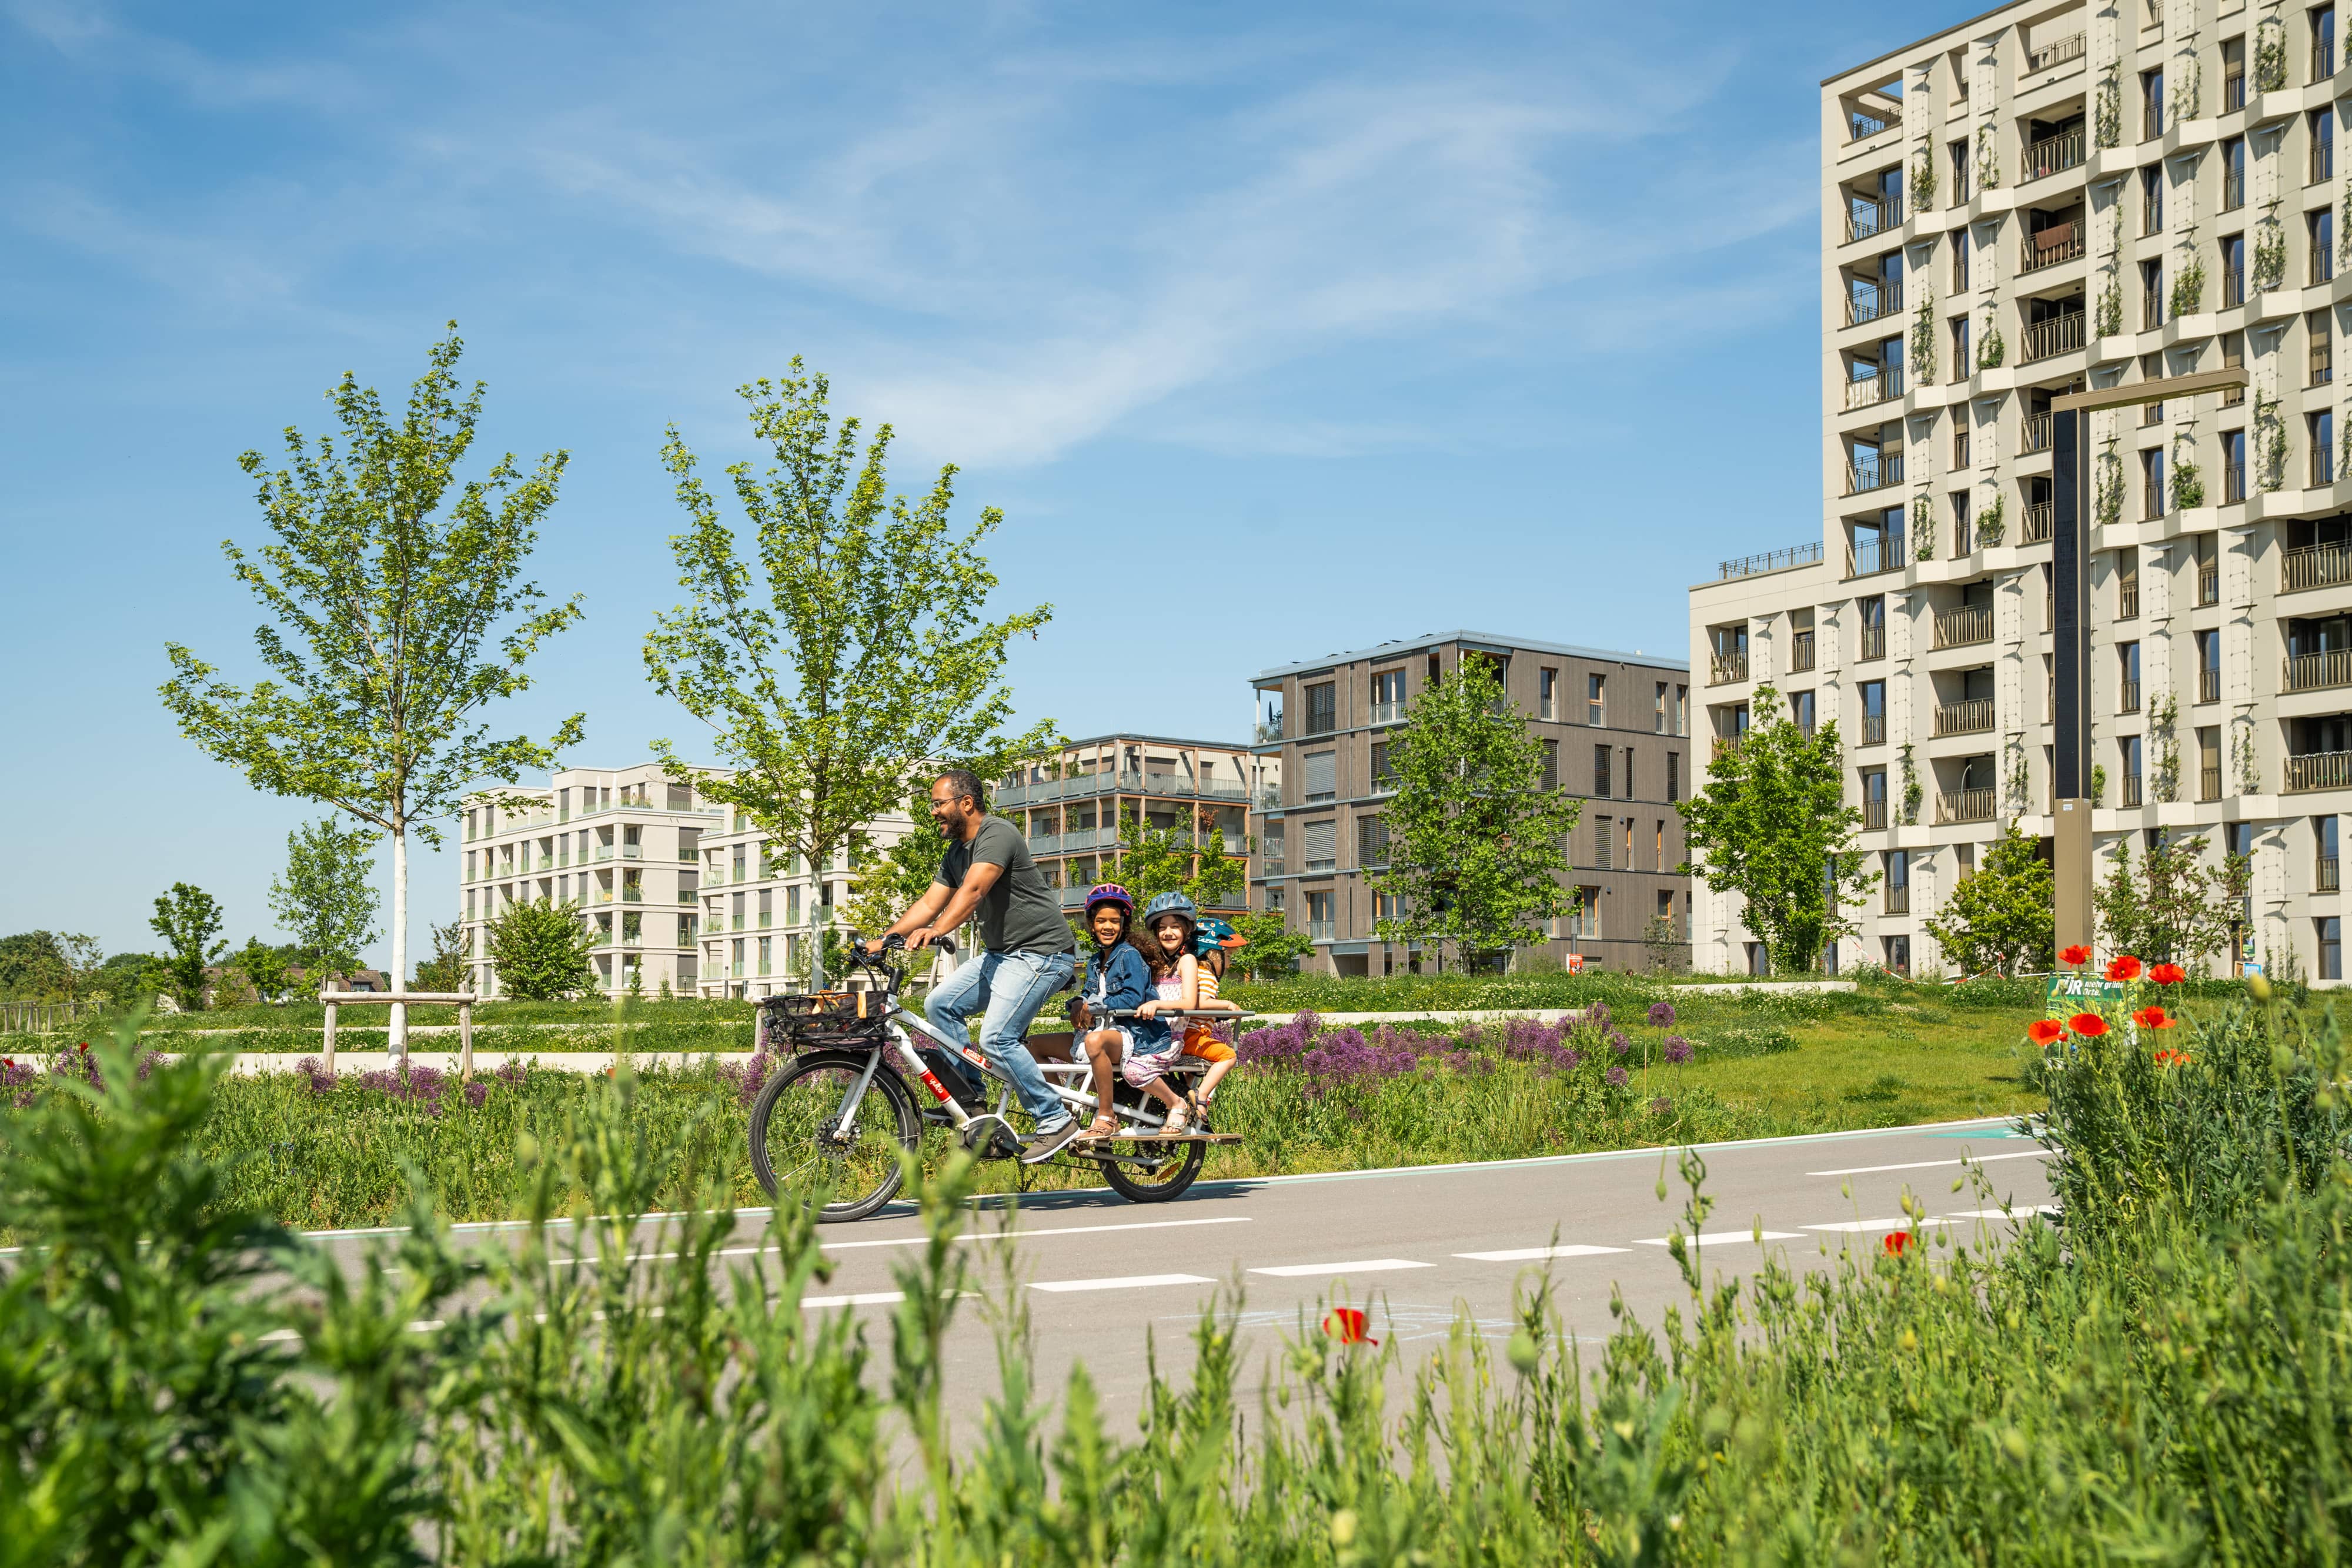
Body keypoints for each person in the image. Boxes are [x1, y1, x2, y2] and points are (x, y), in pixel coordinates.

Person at [873, 769, 1083, 1164]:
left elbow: (973, 892)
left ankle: (1055, 1120)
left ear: (966, 802)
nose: (933, 811)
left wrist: (935, 932)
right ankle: (971, 1100)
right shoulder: (955, 853)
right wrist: (885, 939)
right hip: (1003, 955)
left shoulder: (997, 834)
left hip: (1043, 953)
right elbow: (928, 903)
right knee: (940, 1004)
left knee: (999, 1036)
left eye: (938, 803)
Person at [1052, 884, 1152, 1142]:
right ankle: (1061, 1114)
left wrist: (1093, 1006)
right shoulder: (1096, 960)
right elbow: (1088, 992)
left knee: (1094, 1041)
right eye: (1101, 921)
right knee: (1032, 1046)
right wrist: (1077, 1002)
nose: (1108, 927)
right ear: (1091, 924)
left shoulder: (1129, 955)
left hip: (1130, 1033)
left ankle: (1107, 1116)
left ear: (1124, 924)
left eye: (1115, 921)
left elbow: (1133, 997)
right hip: (1101, 1030)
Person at [1123, 892, 1202, 1135]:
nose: (1168, 933)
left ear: (1186, 931)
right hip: (1144, 1035)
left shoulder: (1186, 961)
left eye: (1175, 927)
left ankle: (1177, 1104)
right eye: (1162, 928)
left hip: (1168, 1039)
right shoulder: (1155, 963)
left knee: (1133, 1071)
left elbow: (1189, 1002)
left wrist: (1158, 1006)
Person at [1180, 916, 1245, 1108]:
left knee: (1191, 1072)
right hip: (1193, 1037)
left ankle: (1185, 1095)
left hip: (1184, 1035)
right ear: (1214, 955)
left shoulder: (1195, 973)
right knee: (1228, 1056)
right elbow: (1199, 1003)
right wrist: (1227, 1005)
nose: (1230, 963)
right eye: (1228, 957)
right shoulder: (1206, 975)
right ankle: (1201, 1096)